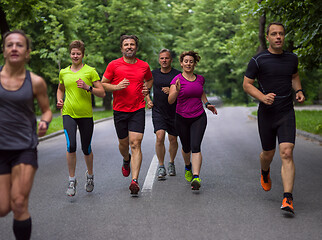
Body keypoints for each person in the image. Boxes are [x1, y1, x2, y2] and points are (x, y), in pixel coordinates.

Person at [243, 22, 305, 214]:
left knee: (286, 152)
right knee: (267, 154)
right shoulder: (258, 60)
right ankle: (264, 171)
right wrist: (262, 97)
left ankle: (288, 198)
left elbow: (294, 76)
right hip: (267, 114)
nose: (278, 37)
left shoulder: (292, 58)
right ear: (268, 37)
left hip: (286, 112)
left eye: (281, 34)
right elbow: (247, 84)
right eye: (274, 34)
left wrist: (299, 90)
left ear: (284, 37)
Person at [0, 30, 52, 240]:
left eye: (19, 45)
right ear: (4, 51)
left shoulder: (36, 82)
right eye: (9, 44)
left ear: (28, 53)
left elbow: (47, 110)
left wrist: (45, 121)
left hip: (24, 147)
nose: (14, 48)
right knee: (3, 208)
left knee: (19, 203)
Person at [101, 35, 153, 195]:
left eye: (132, 44)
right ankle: (126, 159)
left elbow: (149, 80)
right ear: (122, 48)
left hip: (137, 109)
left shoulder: (144, 66)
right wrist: (116, 87)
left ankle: (135, 180)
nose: (129, 47)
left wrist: (146, 90)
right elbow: (103, 84)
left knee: (135, 143)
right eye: (126, 44)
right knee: (124, 145)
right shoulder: (114, 65)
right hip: (120, 110)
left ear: (136, 47)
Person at [57, 40, 105, 197]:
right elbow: (60, 88)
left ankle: (90, 176)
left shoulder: (90, 71)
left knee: (86, 148)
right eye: (73, 53)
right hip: (68, 113)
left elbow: (102, 92)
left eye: (78, 53)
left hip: (85, 115)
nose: (75, 56)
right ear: (70, 55)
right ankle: (72, 180)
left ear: (83, 55)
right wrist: (59, 99)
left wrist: (88, 87)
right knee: (71, 145)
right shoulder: (64, 72)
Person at [168, 51, 217, 190]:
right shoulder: (176, 80)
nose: (188, 64)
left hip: (198, 117)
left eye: (191, 61)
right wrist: (176, 91)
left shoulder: (200, 78)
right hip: (181, 117)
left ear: (194, 64)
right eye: (186, 61)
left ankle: (196, 176)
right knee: (186, 147)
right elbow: (170, 100)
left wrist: (207, 104)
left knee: (196, 146)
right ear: (181, 63)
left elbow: (201, 92)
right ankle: (188, 166)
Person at [146, 49, 181, 180]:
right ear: (159, 60)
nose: (164, 60)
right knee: (160, 137)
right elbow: (145, 89)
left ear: (171, 60)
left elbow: (183, 90)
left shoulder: (178, 75)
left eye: (166, 58)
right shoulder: (153, 74)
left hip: (174, 111)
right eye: (162, 58)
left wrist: (173, 90)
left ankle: (171, 163)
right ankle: (161, 166)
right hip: (158, 110)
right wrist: (148, 101)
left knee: (173, 139)